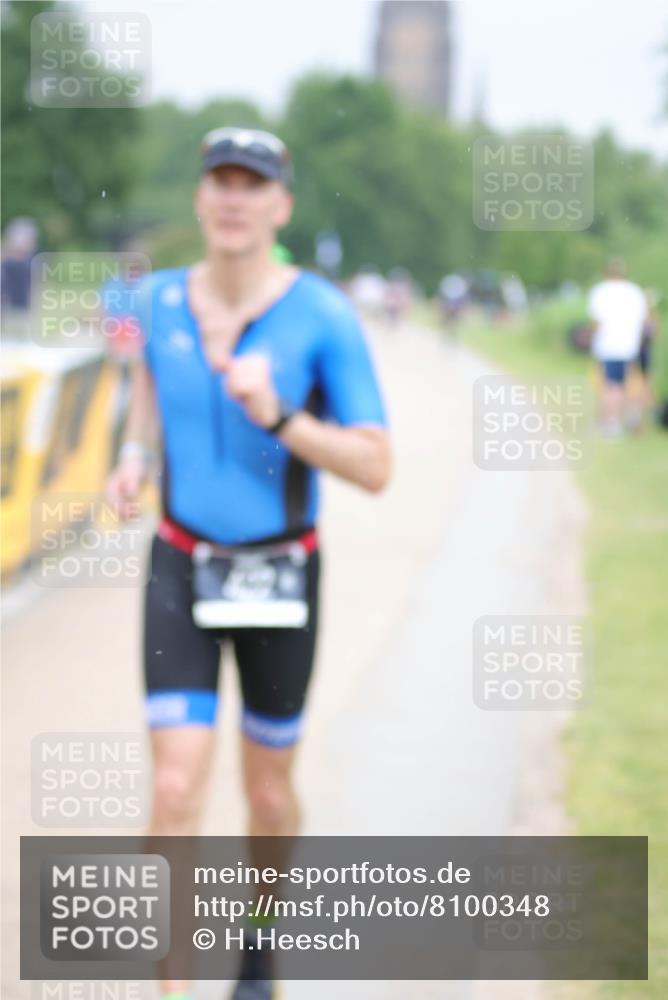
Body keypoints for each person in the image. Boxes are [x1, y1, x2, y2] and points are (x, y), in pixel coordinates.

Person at [105, 126, 392, 1000]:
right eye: (219, 181)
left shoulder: (323, 315)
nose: (233, 198)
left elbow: (376, 467)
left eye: (252, 184)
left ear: (281, 206)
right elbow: (148, 407)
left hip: (281, 574)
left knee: (268, 797)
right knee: (176, 780)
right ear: (200, 198)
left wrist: (277, 416)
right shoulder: (154, 302)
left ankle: (259, 946)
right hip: (182, 566)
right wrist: (135, 461)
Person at [587, 258, 648, 436]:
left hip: (608, 346)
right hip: (630, 346)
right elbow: (644, 321)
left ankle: (612, 424)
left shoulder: (600, 291)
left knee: (611, 385)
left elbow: (596, 322)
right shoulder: (635, 291)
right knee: (628, 384)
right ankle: (630, 420)